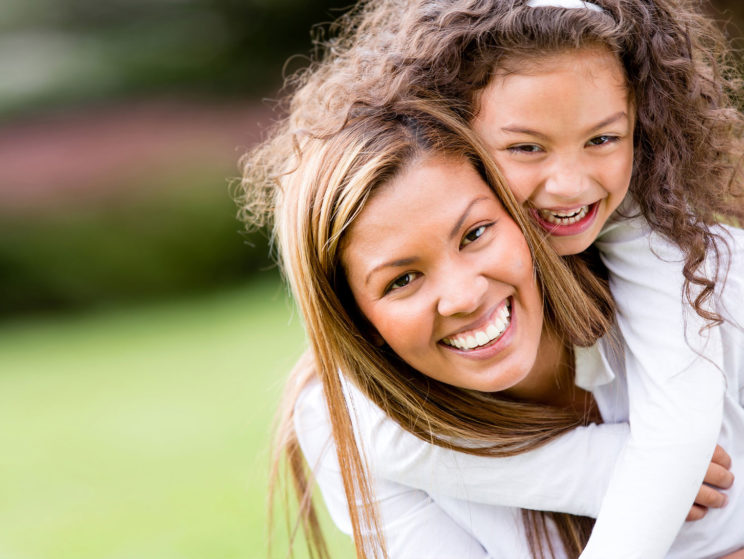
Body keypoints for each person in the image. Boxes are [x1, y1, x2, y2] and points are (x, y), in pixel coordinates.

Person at [239, 0, 744, 556]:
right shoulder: (349, 426)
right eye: (402, 279)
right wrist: (602, 468)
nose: (570, 186)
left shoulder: (702, 279)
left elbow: (683, 438)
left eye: (475, 233)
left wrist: (656, 464)